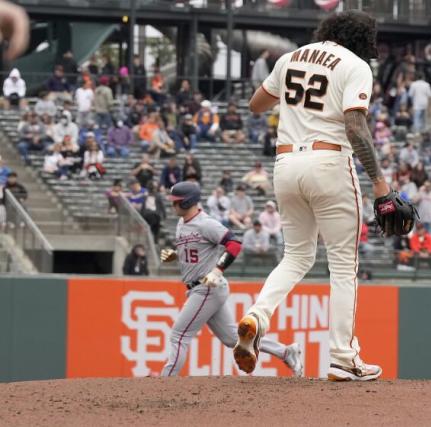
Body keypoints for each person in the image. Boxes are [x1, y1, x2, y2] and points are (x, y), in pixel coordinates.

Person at [233, 11, 416, 382]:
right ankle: (343, 358)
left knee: (297, 255)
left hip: (286, 164)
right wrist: (380, 182)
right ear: (362, 37)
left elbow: (256, 104)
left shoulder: (290, 57)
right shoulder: (354, 64)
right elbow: (354, 126)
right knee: (343, 265)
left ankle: (257, 316)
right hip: (329, 160)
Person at [159, 182, 302, 377]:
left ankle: (165, 382)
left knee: (179, 335)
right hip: (199, 287)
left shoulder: (205, 223)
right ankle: (285, 352)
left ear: (187, 202)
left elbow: (234, 243)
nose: (172, 206)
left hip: (207, 286)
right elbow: (197, 251)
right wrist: (177, 255)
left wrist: (218, 270)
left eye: (175, 202)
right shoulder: (182, 223)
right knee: (231, 337)